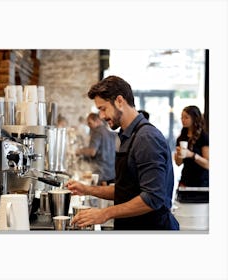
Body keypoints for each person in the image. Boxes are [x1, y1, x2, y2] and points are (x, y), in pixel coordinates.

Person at [66, 75, 179, 230]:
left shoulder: (146, 138)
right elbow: (126, 190)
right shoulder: (129, 136)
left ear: (119, 101)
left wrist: (104, 213)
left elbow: (153, 198)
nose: (102, 116)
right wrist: (86, 189)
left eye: (103, 109)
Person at [76, 112, 116, 185]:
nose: (89, 126)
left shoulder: (97, 131)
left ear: (97, 121)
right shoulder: (109, 131)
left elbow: (92, 152)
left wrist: (79, 151)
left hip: (100, 173)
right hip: (111, 172)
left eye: (90, 123)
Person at [174, 105, 209, 187]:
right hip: (185, 180)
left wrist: (191, 155)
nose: (183, 120)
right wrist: (178, 156)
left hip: (201, 182)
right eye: (181, 117)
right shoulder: (181, 137)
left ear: (194, 118)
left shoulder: (203, 137)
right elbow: (178, 164)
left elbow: (208, 164)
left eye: (186, 117)